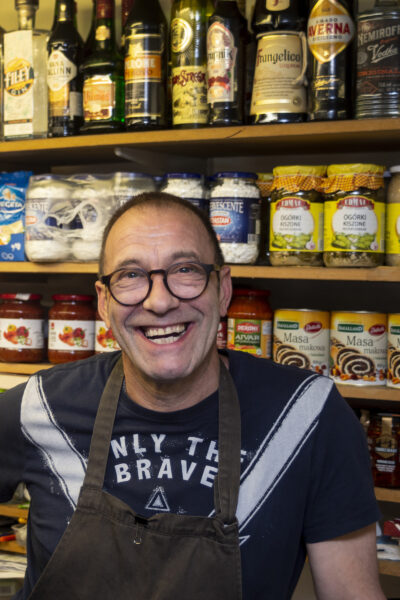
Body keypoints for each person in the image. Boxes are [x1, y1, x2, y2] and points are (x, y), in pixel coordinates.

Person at [0, 192, 385, 599]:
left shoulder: (307, 418)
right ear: (103, 302)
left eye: (185, 270)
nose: (161, 301)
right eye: (130, 275)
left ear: (223, 289)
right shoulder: (39, 407)